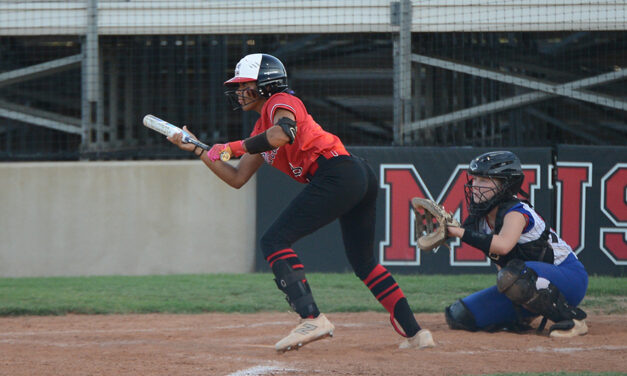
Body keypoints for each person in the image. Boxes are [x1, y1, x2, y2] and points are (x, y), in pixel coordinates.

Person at [167, 53, 434, 352]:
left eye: (245, 85)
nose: (239, 92)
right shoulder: (260, 131)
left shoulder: (282, 100)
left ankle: (312, 318)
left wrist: (229, 148)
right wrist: (200, 150)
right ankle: (417, 333)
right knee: (363, 262)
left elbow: (283, 133)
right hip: (350, 175)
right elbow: (238, 177)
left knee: (273, 241)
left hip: (339, 172)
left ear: (266, 85)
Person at [444, 150, 589, 337]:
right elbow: (501, 262)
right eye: (475, 179)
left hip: (569, 278)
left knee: (513, 275)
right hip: (530, 278)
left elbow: (503, 245)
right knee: (459, 315)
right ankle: (525, 314)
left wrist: (458, 232)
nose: (475, 185)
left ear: (505, 185)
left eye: (484, 180)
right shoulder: (481, 218)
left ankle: (572, 319)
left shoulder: (516, 212)